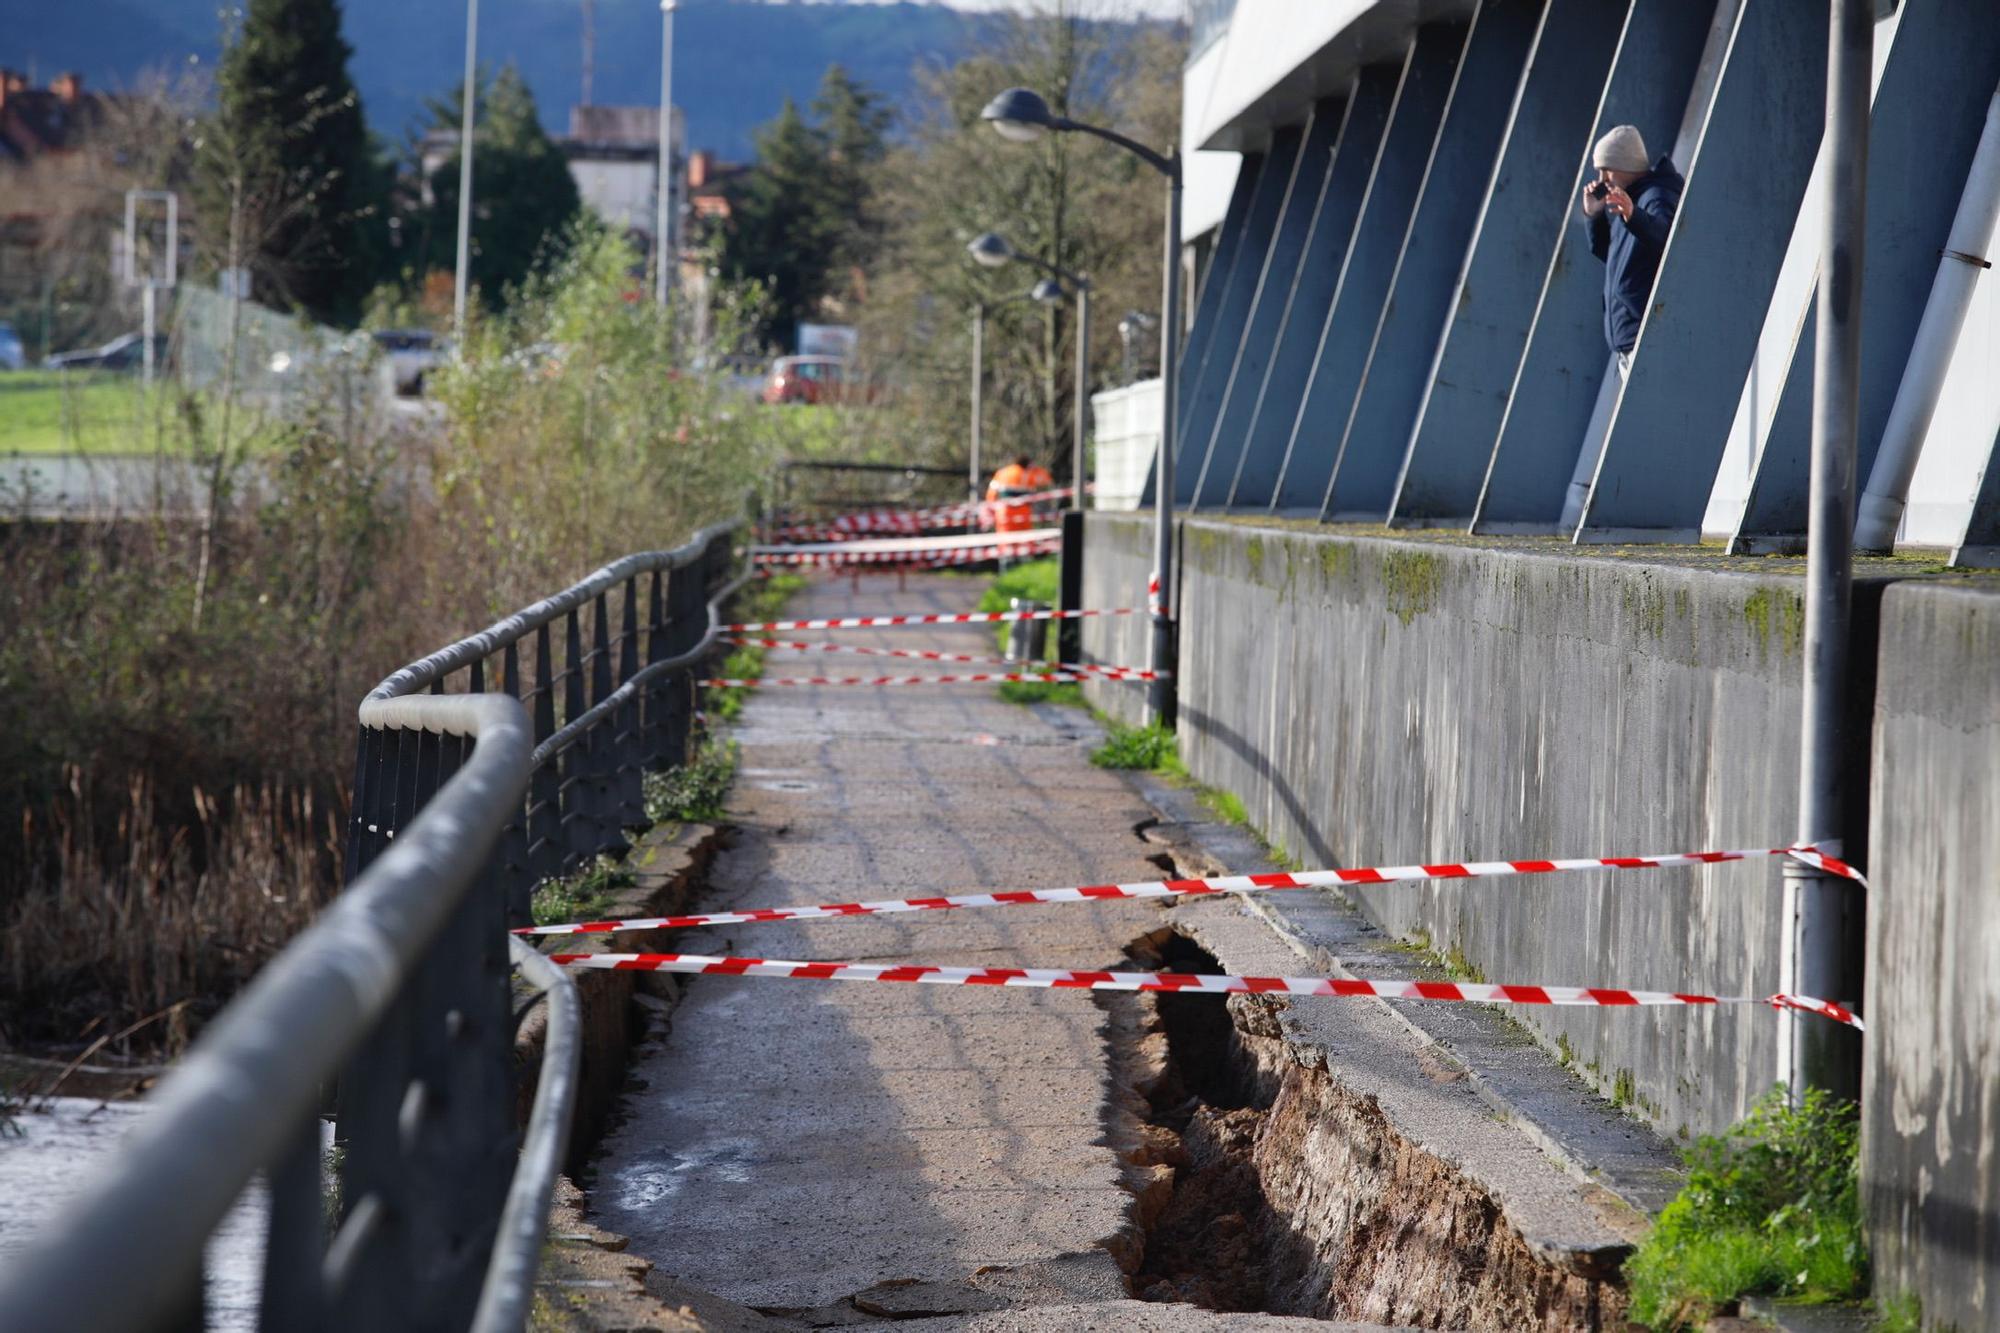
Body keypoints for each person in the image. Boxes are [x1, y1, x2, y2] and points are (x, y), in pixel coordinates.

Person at [1580, 125, 1684, 379]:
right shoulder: (1629, 199)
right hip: (1630, 342)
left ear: (1624, 164)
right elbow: (1614, 257)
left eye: (1606, 169)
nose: (1602, 179)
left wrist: (1633, 215)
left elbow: (1665, 239)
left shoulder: (1654, 197)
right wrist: (1594, 216)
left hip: (1646, 336)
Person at [986, 454, 1053, 533]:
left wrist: (991, 508)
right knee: (1024, 539)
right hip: (1023, 511)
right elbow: (1047, 479)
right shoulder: (1028, 473)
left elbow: (991, 493)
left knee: (1005, 538)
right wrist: (1036, 469)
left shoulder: (1002, 472)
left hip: (1004, 511)